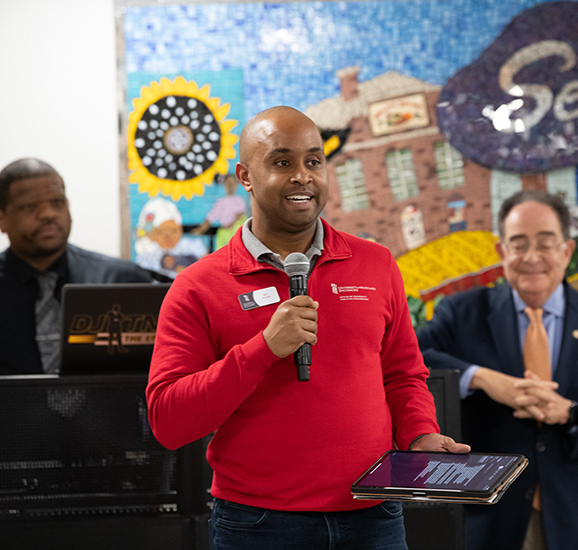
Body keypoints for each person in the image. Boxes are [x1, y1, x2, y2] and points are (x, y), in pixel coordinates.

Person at [145, 106, 469, 550]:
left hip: (374, 516)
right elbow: (168, 421)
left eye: (314, 161)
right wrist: (261, 350)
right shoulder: (197, 287)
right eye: (282, 162)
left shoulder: (375, 264)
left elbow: (403, 375)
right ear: (245, 176)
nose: (303, 176)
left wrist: (420, 434)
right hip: (258, 526)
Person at [416, 190, 578, 550]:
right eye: (519, 244)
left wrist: (570, 413)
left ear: (566, 251)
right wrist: (481, 378)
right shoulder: (461, 313)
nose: (531, 257)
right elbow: (409, 357)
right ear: (501, 251)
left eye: (545, 243)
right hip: (488, 523)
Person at [0, 158, 155, 375]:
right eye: (29, 206)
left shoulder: (123, 280)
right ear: (2, 219)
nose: (48, 214)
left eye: (57, 202)